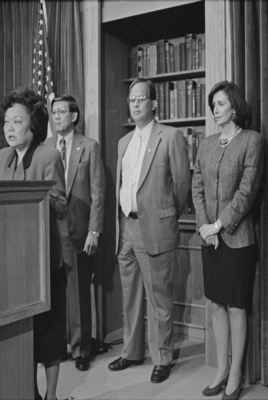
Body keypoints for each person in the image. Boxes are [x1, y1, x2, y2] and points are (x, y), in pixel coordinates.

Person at [108, 77, 191, 384]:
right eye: (132, 100)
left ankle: (162, 357)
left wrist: (165, 217)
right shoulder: (123, 142)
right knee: (129, 297)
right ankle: (131, 352)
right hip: (125, 228)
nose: (136, 104)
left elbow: (182, 186)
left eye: (142, 99)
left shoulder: (170, 136)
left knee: (159, 299)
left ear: (154, 103)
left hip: (155, 229)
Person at [0, 88, 67, 400]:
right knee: (21, 333)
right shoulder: (2, 157)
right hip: (10, 261)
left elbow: (62, 204)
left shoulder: (49, 155)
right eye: (5, 122)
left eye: (16, 121)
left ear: (33, 125)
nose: (8, 128)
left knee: (48, 333)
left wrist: (36, 192)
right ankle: (28, 391)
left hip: (43, 259)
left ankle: (51, 395)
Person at [192, 81, 263, 400]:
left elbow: (247, 192)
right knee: (216, 304)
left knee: (236, 307)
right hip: (210, 238)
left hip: (237, 238)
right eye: (213, 105)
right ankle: (221, 370)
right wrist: (206, 227)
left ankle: (236, 375)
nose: (215, 110)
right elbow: (197, 187)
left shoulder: (252, 141)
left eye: (220, 104)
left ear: (234, 107)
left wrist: (220, 225)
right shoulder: (205, 144)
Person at [44, 94, 106, 372]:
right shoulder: (45, 146)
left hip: (80, 231)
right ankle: (61, 345)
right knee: (55, 293)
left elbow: (98, 193)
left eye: (61, 112)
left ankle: (82, 349)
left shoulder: (89, 147)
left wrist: (95, 230)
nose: (57, 117)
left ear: (74, 116)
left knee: (78, 291)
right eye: (53, 112)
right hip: (50, 233)